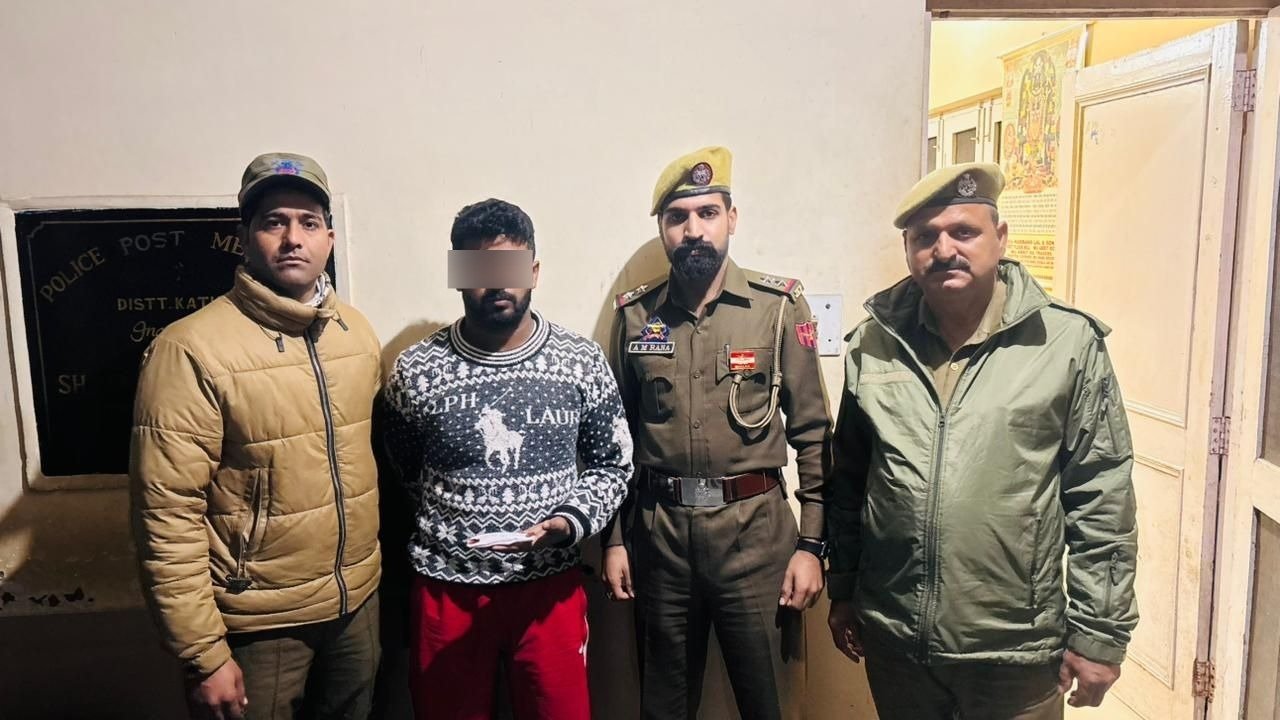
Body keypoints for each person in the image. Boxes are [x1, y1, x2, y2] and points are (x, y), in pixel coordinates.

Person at [826, 162, 1139, 719]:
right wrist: (844, 588)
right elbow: (849, 483)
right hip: (897, 644)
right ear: (907, 250)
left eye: (964, 231)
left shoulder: (1066, 343)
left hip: (1016, 652)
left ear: (1001, 238)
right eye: (925, 236)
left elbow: (1102, 496)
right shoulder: (873, 344)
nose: (944, 249)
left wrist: (1099, 633)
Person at [130, 152, 383, 719]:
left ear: (329, 239)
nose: (293, 238)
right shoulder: (189, 349)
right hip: (257, 625)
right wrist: (203, 653)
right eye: (274, 222)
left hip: (357, 607)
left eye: (309, 223)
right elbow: (166, 512)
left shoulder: (356, 333)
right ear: (244, 237)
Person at [601, 146, 831, 720]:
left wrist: (812, 545)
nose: (693, 230)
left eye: (707, 213)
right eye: (677, 217)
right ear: (662, 229)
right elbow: (614, 440)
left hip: (757, 536)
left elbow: (813, 434)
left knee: (770, 704)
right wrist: (614, 540)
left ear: (732, 218)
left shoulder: (779, 308)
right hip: (660, 539)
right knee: (663, 706)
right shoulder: (635, 316)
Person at [380, 198, 632, 720]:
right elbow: (402, 467)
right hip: (446, 589)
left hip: (549, 586)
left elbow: (612, 463)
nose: (497, 283)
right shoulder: (416, 370)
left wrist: (571, 520)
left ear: (533, 272)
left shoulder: (580, 361)